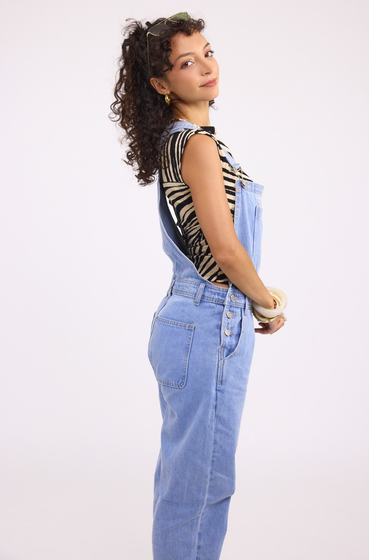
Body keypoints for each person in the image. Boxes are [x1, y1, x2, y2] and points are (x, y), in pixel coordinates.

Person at [110, 12, 285, 560]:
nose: (207, 67)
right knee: (202, 480)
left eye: (208, 52)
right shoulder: (197, 146)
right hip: (210, 318)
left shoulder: (180, 141)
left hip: (189, 317)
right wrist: (267, 302)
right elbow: (226, 250)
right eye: (188, 62)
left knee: (189, 473)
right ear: (161, 84)